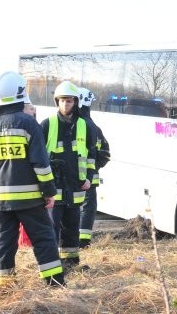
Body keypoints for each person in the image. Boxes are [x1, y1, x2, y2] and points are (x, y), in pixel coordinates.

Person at [0, 71, 64, 286]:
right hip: (30, 199)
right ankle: (55, 284)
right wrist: (49, 193)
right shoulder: (28, 124)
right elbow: (41, 164)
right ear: (21, 94)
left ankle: (4, 287)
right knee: (44, 239)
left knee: (2, 242)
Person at [41, 80, 97, 271]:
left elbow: (91, 155)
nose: (66, 104)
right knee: (52, 226)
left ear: (75, 102)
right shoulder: (47, 124)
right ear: (57, 102)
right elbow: (38, 156)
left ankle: (71, 263)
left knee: (72, 227)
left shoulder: (84, 126)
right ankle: (52, 262)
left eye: (70, 101)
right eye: (63, 101)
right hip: (53, 187)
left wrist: (89, 176)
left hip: (76, 186)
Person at [77, 87, 110, 248]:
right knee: (88, 208)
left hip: (68, 178)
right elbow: (105, 154)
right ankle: (83, 240)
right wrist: (93, 168)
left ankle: (72, 238)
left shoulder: (69, 124)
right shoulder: (94, 128)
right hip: (90, 179)